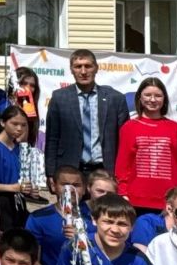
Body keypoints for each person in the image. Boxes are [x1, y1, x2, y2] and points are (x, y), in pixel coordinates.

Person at [42, 49, 128, 185]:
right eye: (78, 67)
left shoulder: (115, 98)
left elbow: (125, 141)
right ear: (71, 70)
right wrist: (50, 172)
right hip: (69, 170)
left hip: (105, 171)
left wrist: (122, 174)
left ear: (96, 68)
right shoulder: (59, 97)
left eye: (88, 66)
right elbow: (52, 138)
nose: (83, 71)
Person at [116, 77, 177, 217]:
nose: (152, 100)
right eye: (147, 95)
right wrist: (122, 193)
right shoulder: (129, 127)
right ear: (139, 98)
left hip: (169, 201)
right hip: (136, 200)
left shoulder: (176, 129)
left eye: (158, 96)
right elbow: (123, 165)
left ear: (164, 99)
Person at [0, 105, 39, 230]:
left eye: (23, 125)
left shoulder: (17, 148)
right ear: (2, 123)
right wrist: (14, 187)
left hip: (17, 204)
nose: (19, 128)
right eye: (14, 124)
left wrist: (29, 190)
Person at [24, 163, 90, 265]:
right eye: (65, 184)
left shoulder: (95, 218)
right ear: (54, 186)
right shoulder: (38, 218)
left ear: (84, 189)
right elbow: (33, 261)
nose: (70, 190)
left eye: (76, 185)